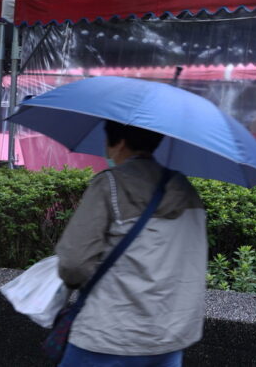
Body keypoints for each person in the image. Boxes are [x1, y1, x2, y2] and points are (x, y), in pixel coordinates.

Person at [55, 121, 207, 367]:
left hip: (108, 335)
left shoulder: (110, 185)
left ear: (120, 143)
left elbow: (74, 264)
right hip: (168, 338)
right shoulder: (186, 190)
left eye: (107, 141)